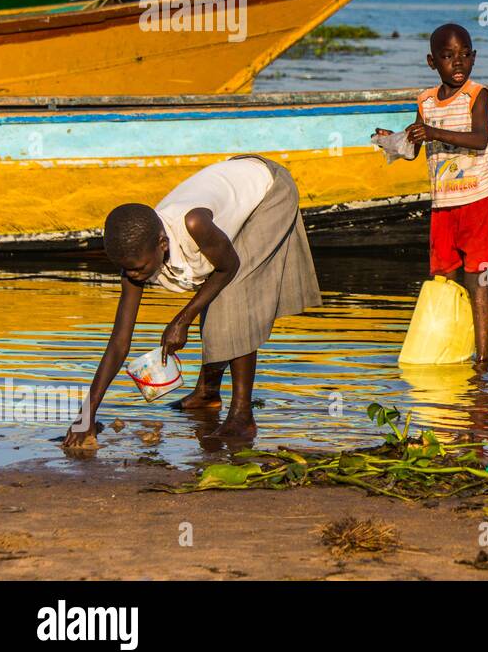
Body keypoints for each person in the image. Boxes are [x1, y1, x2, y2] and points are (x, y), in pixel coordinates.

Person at [63, 156, 322, 446]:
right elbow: (119, 342)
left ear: (162, 244)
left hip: (267, 190)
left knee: (234, 299)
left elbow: (228, 268)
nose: (134, 274)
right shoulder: (137, 259)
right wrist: (86, 416)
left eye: (138, 267)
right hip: (232, 198)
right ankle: (207, 393)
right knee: (216, 300)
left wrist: (181, 320)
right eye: (127, 269)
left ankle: (242, 416)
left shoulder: (193, 224)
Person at [374, 23, 488, 366]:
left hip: (479, 202)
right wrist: (395, 139)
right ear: (433, 62)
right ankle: (444, 354)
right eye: (448, 56)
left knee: (479, 280)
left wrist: (430, 131)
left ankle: (484, 359)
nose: (457, 63)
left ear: (473, 57)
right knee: (442, 280)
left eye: (464, 55)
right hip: (443, 205)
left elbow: (478, 140)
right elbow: (415, 150)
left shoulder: (478, 95)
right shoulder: (426, 102)